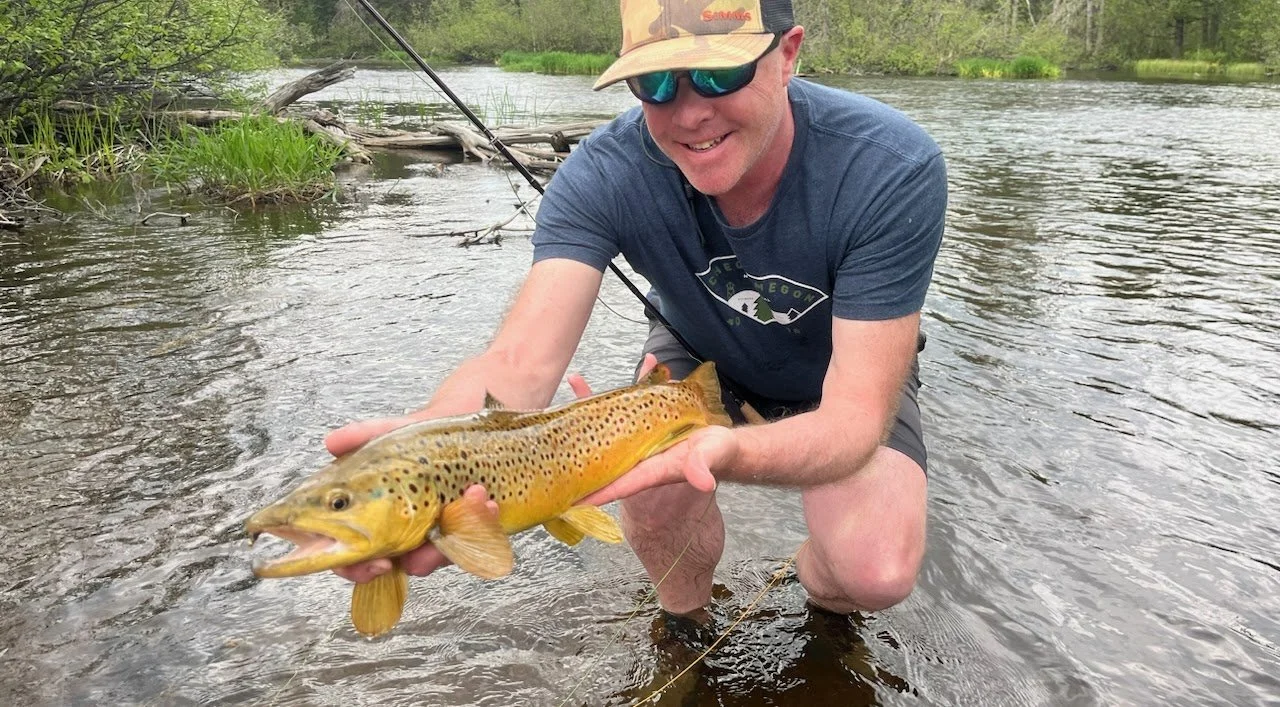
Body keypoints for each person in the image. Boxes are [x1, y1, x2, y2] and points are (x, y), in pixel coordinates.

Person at [326, 0, 946, 617]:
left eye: (719, 73)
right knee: (651, 510)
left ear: (787, 56)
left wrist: (732, 451)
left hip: (843, 368)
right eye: (654, 83)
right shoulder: (603, 173)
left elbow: (856, 416)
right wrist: (431, 445)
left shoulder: (889, 168)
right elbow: (520, 360)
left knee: (872, 572)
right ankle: (686, 625)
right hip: (698, 345)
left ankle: (820, 591)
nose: (691, 113)